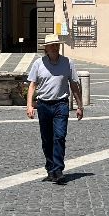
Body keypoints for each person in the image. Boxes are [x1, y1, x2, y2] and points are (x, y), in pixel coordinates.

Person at [26, 34, 83, 185]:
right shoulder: (38, 63)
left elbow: (74, 85)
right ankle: (50, 169)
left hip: (61, 104)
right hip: (43, 105)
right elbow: (32, 85)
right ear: (46, 48)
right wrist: (29, 105)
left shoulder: (68, 63)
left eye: (56, 45)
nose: (54, 47)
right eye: (51, 45)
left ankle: (58, 170)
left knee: (59, 136)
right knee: (47, 139)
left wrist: (80, 105)